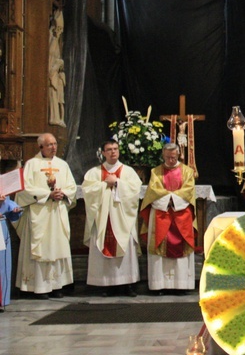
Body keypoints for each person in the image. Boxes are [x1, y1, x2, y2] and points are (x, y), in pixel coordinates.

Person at [15, 133, 77, 299]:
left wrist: (61, 193)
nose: (53, 147)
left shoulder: (62, 165)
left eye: (55, 144)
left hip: (57, 214)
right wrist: (47, 195)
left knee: (57, 246)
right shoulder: (32, 164)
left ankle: (57, 285)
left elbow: (72, 187)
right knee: (40, 248)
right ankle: (38, 287)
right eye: (49, 145)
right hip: (39, 214)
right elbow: (24, 189)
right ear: (40, 147)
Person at [82, 140, 142, 297]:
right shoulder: (94, 173)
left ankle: (128, 284)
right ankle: (105, 285)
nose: (113, 152)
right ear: (103, 153)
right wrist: (104, 185)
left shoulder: (128, 172)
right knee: (101, 245)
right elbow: (87, 192)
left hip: (122, 218)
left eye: (115, 149)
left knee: (126, 247)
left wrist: (117, 183)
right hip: (103, 217)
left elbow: (135, 192)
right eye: (109, 149)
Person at [140, 143, 196, 295]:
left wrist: (172, 200)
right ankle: (159, 285)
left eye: (174, 157)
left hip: (181, 215)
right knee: (159, 249)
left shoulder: (187, 171)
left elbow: (188, 191)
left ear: (178, 155)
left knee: (181, 247)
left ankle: (181, 284)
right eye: (168, 157)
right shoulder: (155, 172)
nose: (171, 160)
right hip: (161, 214)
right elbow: (153, 191)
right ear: (163, 156)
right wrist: (169, 200)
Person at [0, 186, 21, 311]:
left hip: (1, 226)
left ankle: (1, 300)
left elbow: (8, 205)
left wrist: (14, 209)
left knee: (2, 266)